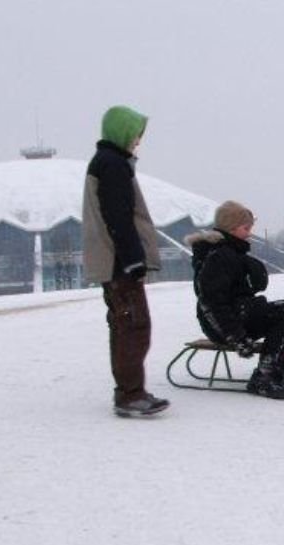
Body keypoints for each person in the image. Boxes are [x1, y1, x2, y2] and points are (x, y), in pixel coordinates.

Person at [82, 105, 169, 417]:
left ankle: (129, 391)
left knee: (126, 325)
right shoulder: (113, 165)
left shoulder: (107, 162)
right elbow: (118, 217)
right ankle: (130, 395)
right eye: (135, 134)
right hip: (120, 263)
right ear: (122, 132)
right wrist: (133, 259)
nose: (137, 141)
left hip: (115, 261)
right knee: (134, 326)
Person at [186, 201, 284, 400]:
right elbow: (211, 303)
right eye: (246, 228)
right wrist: (235, 336)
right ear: (231, 228)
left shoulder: (231, 252)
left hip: (240, 314)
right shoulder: (218, 256)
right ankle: (264, 377)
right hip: (225, 325)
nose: (249, 233)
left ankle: (280, 364)